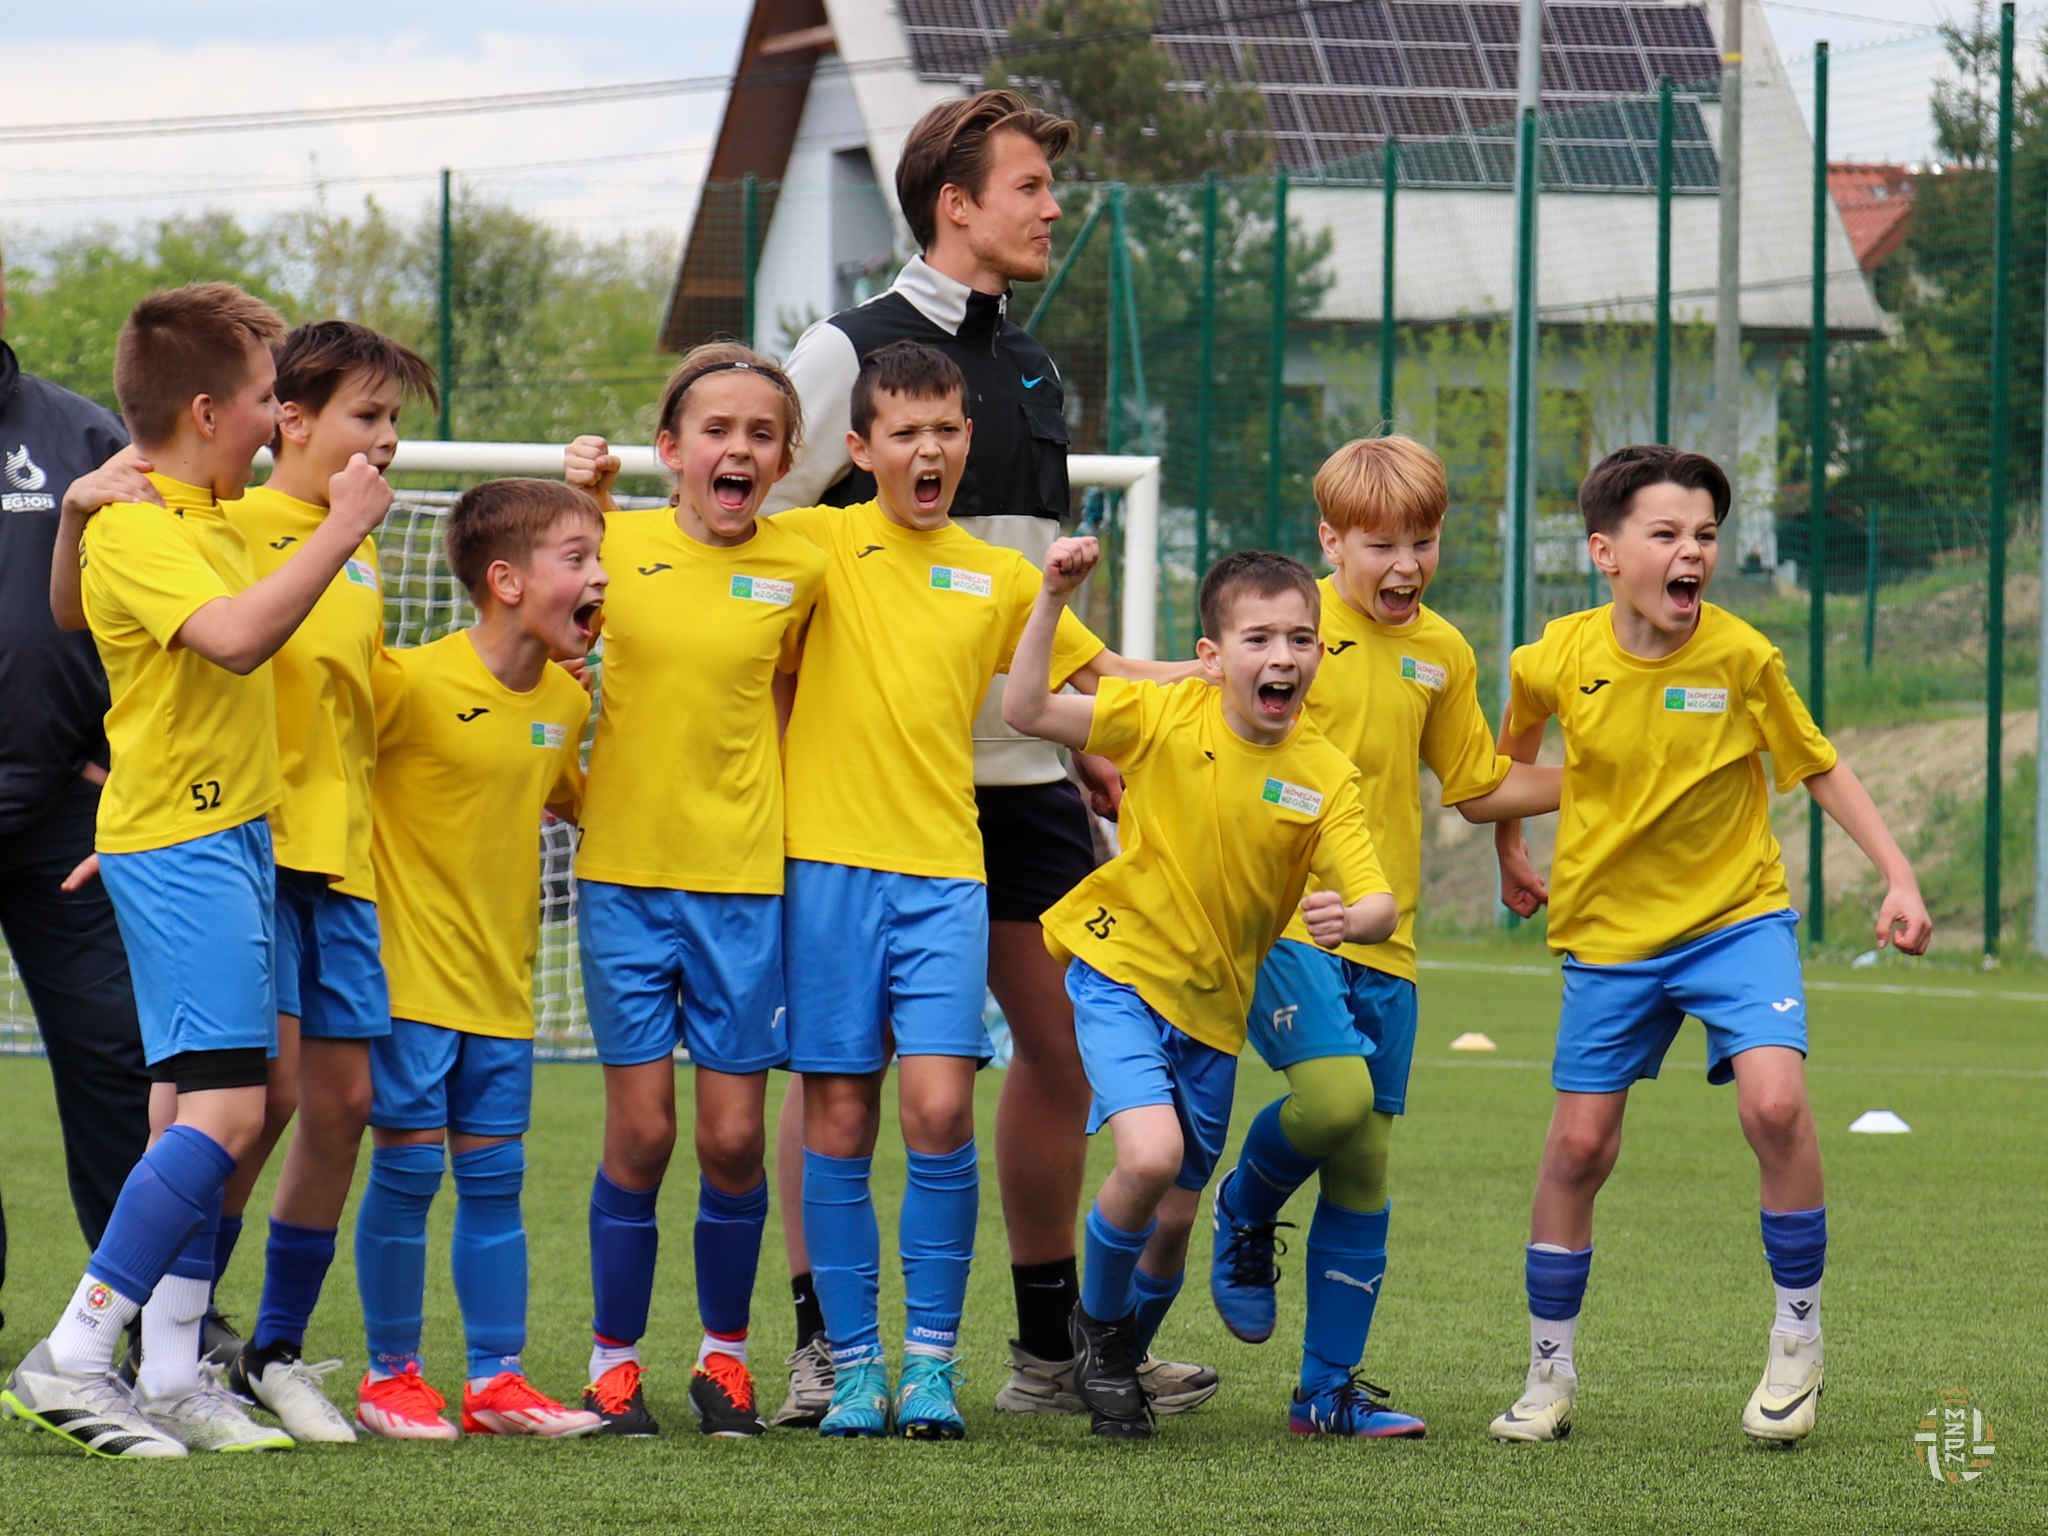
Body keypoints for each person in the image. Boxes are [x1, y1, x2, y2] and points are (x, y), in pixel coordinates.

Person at [767, 90, 1211, 1422]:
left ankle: (1040, 1356)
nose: (1052, 207)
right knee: (839, 1074)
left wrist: (1078, 736)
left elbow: (1019, 597)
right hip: (860, 795)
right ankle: (824, 1345)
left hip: (1018, 780)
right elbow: (757, 545)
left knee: (1064, 1053)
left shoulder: (1030, 367)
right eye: (1029, 186)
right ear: (956, 204)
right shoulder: (842, 351)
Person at [2, 282, 389, 1456]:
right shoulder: (142, 524)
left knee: (195, 1107)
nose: (280, 418)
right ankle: (74, 1355)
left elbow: (72, 611)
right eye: (268, 398)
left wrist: (71, 517)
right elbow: (233, 639)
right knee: (223, 1114)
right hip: (187, 845)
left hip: (227, 839)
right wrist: (340, 529)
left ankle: (171, 1371)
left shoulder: (178, 510)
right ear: (211, 410)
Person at [1484, 445, 1933, 1446]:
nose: (1691, 552)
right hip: (1608, 935)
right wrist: (1510, 851)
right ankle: (1547, 1374)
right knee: (1577, 1147)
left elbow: (1819, 767)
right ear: (1605, 553)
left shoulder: (1740, 657)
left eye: (1704, 535)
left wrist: (1897, 875)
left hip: (1736, 921)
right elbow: (1507, 763)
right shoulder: (1549, 659)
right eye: (1665, 533)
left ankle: (1796, 1342)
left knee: (1776, 1105)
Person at [1205, 438, 1561, 1437]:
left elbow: (1478, 784)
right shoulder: (1289, 633)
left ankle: (1324, 1393)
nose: (1406, 565)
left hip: (1386, 934)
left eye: (1423, 541)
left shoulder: (1441, 651)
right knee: (1335, 1100)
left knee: (1363, 1164)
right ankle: (1244, 1205)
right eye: (1380, 545)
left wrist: (1611, 777)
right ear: (1331, 542)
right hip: (1287, 922)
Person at [1004, 546, 1398, 1440]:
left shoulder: (1324, 774)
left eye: (1301, 638)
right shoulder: (1162, 715)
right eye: (1258, 638)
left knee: (1175, 1219)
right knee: (1148, 1158)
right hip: (1121, 972)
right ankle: (1099, 1346)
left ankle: (1119, 1357)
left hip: (1214, 1013)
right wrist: (1052, 599)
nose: (1283, 656)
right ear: (1213, 658)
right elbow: (1025, 709)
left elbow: (1375, 897)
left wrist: (1355, 918)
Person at [559, 343, 824, 1438]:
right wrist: (583, 500)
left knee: (729, 1140)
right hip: (623, 879)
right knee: (642, 1135)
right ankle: (612, 1364)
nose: (738, 449)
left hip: (743, 886)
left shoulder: (805, 566)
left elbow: (798, 700)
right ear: (670, 449)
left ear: (785, 461)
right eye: (717, 430)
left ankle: (725, 1361)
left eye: (762, 434)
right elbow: (540, 648)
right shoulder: (609, 545)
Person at [350, 478, 605, 1441]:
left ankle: (497, 1382)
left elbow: (577, 800)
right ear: (506, 580)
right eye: (577, 559)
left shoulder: (564, 703)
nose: (600, 577)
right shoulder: (406, 683)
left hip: (505, 989)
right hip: (406, 986)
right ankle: (389, 1379)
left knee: (497, 1184)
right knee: (408, 1179)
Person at [0, 263, 151, 1337]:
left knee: (117, 1058)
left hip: (66, 809)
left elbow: (152, 609)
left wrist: (115, 756)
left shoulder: (81, 436)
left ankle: (141, 1313)